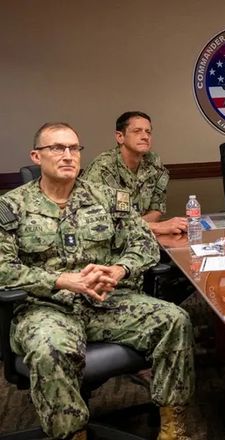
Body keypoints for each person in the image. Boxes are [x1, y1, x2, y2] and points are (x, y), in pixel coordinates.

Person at [0, 122, 195, 439]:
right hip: (46, 307)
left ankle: (173, 428)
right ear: (36, 156)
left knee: (174, 319)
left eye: (74, 148)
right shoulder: (11, 207)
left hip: (107, 301)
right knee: (50, 348)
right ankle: (72, 433)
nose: (68, 155)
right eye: (57, 148)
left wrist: (119, 269)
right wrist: (62, 280)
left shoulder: (109, 198)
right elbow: (3, 268)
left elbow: (144, 244)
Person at [83, 111, 187, 235]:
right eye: (137, 131)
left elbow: (157, 207)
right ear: (120, 137)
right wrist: (156, 227)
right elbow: (93, 224)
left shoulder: (153, 162)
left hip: (140, 239)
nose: (145, 136)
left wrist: (139, 227)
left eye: (148, 132)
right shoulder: (102, 168)